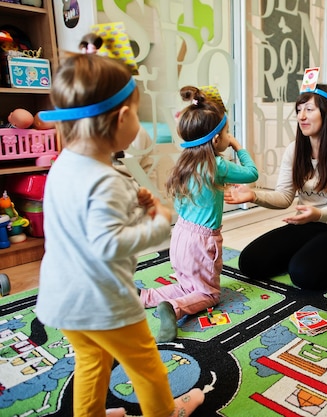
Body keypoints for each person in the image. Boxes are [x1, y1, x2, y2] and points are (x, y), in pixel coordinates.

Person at [35, 53, 204, 417]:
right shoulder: (105, 180)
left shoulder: (63, 165)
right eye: (138, 114)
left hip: (62, 297)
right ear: (124, 117)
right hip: (102, 303)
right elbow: (107, 243)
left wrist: (133, 204)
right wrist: (158, 223)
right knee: (145, 364)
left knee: (91, 359)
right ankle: (166, 412)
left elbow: (82, 225)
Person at [139, 85, 259, 343]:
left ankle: (144, 298)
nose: (229, 136)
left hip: (180, 235)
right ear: (216, 139)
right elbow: (252, 173)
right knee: (208, 294)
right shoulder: (217, 165)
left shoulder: (184, 162)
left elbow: (181, 206)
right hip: (203, 241)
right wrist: (238, 147)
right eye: (227, 132)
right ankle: (174, 308)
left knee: (187, 286)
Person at [224, 84, 327, 290]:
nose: (301, 116)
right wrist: (253, 195)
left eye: (309, 109)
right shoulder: (295, 149)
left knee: (302, 275)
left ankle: (320, 260)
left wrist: (317, 214)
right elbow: (284, 197)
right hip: (306, 224)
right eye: (298, 110)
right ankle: (305, 257)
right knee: (249, 262)